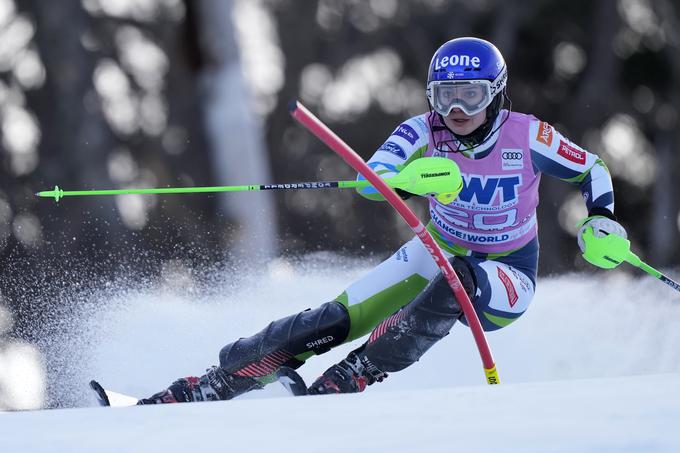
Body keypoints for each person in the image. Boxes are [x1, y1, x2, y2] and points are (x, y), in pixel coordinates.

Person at [138, 37, 627, 403]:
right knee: (335, 318)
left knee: (457, 283)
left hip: (508, 271)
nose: (456, 110)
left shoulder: (528, 135)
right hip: (438, 246)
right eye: (445, 95)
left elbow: (593, 167)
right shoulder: (422, 130)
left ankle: (350, 377)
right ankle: (214, 383)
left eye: (472, 96)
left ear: (496, 95)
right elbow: (371, 180)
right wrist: (416, 179)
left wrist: (601, 218)